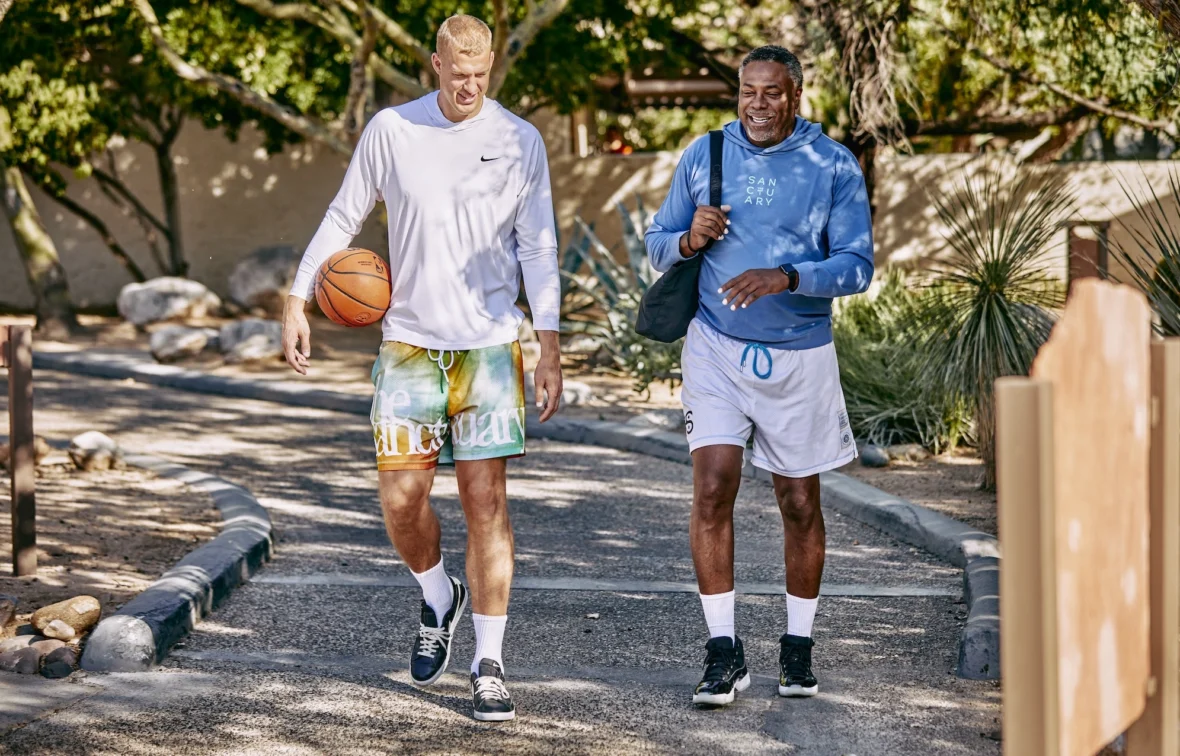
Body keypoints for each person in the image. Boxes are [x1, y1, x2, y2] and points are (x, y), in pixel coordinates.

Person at [281, 14, 563, 723]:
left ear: (491, 65)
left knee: (485, 503)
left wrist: (549, 342)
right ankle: (440, 595)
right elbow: (344, 216)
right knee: (402, 500)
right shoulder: (392, 131)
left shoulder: (517, 140)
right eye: (457, 72)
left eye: (481, 73)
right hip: (408, 345)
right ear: (435, 64)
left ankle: (489, 664)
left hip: (490, 348)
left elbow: (539, 247)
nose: (470, 85)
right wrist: (296, 297)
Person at [644, 44, 874, 707]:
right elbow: (657, 242)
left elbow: (858, 265)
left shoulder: (833, 165)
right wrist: (689, 239)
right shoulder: (706, 155)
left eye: (773, 92)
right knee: (713, 483)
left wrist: (789, 276)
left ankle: (797, 648)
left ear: (796, 96)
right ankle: (723, 651)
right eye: (748, 91)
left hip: (800, 352)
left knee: (799, 501)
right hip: (715, 347)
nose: (758, 104)